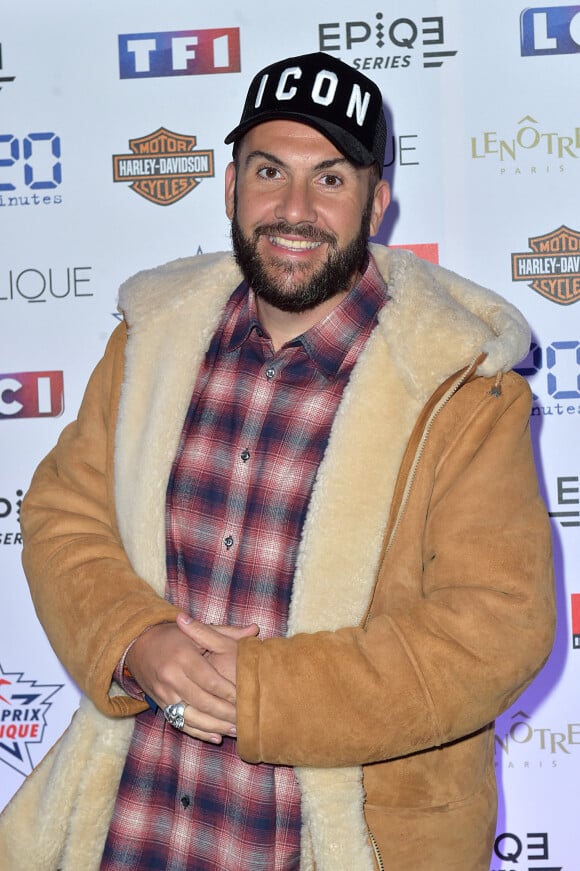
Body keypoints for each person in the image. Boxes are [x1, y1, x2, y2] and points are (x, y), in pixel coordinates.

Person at [0, 52, 554, 871]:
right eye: (270, 171)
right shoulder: (153, 337)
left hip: (344, 842)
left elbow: (498, 629)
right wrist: (134, 638)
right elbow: (60, 512)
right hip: (134, 826)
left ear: (378, 202)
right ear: (230, 189)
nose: (295, 209)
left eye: (330, 179)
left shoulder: (461, 389)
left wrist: (259, 692)